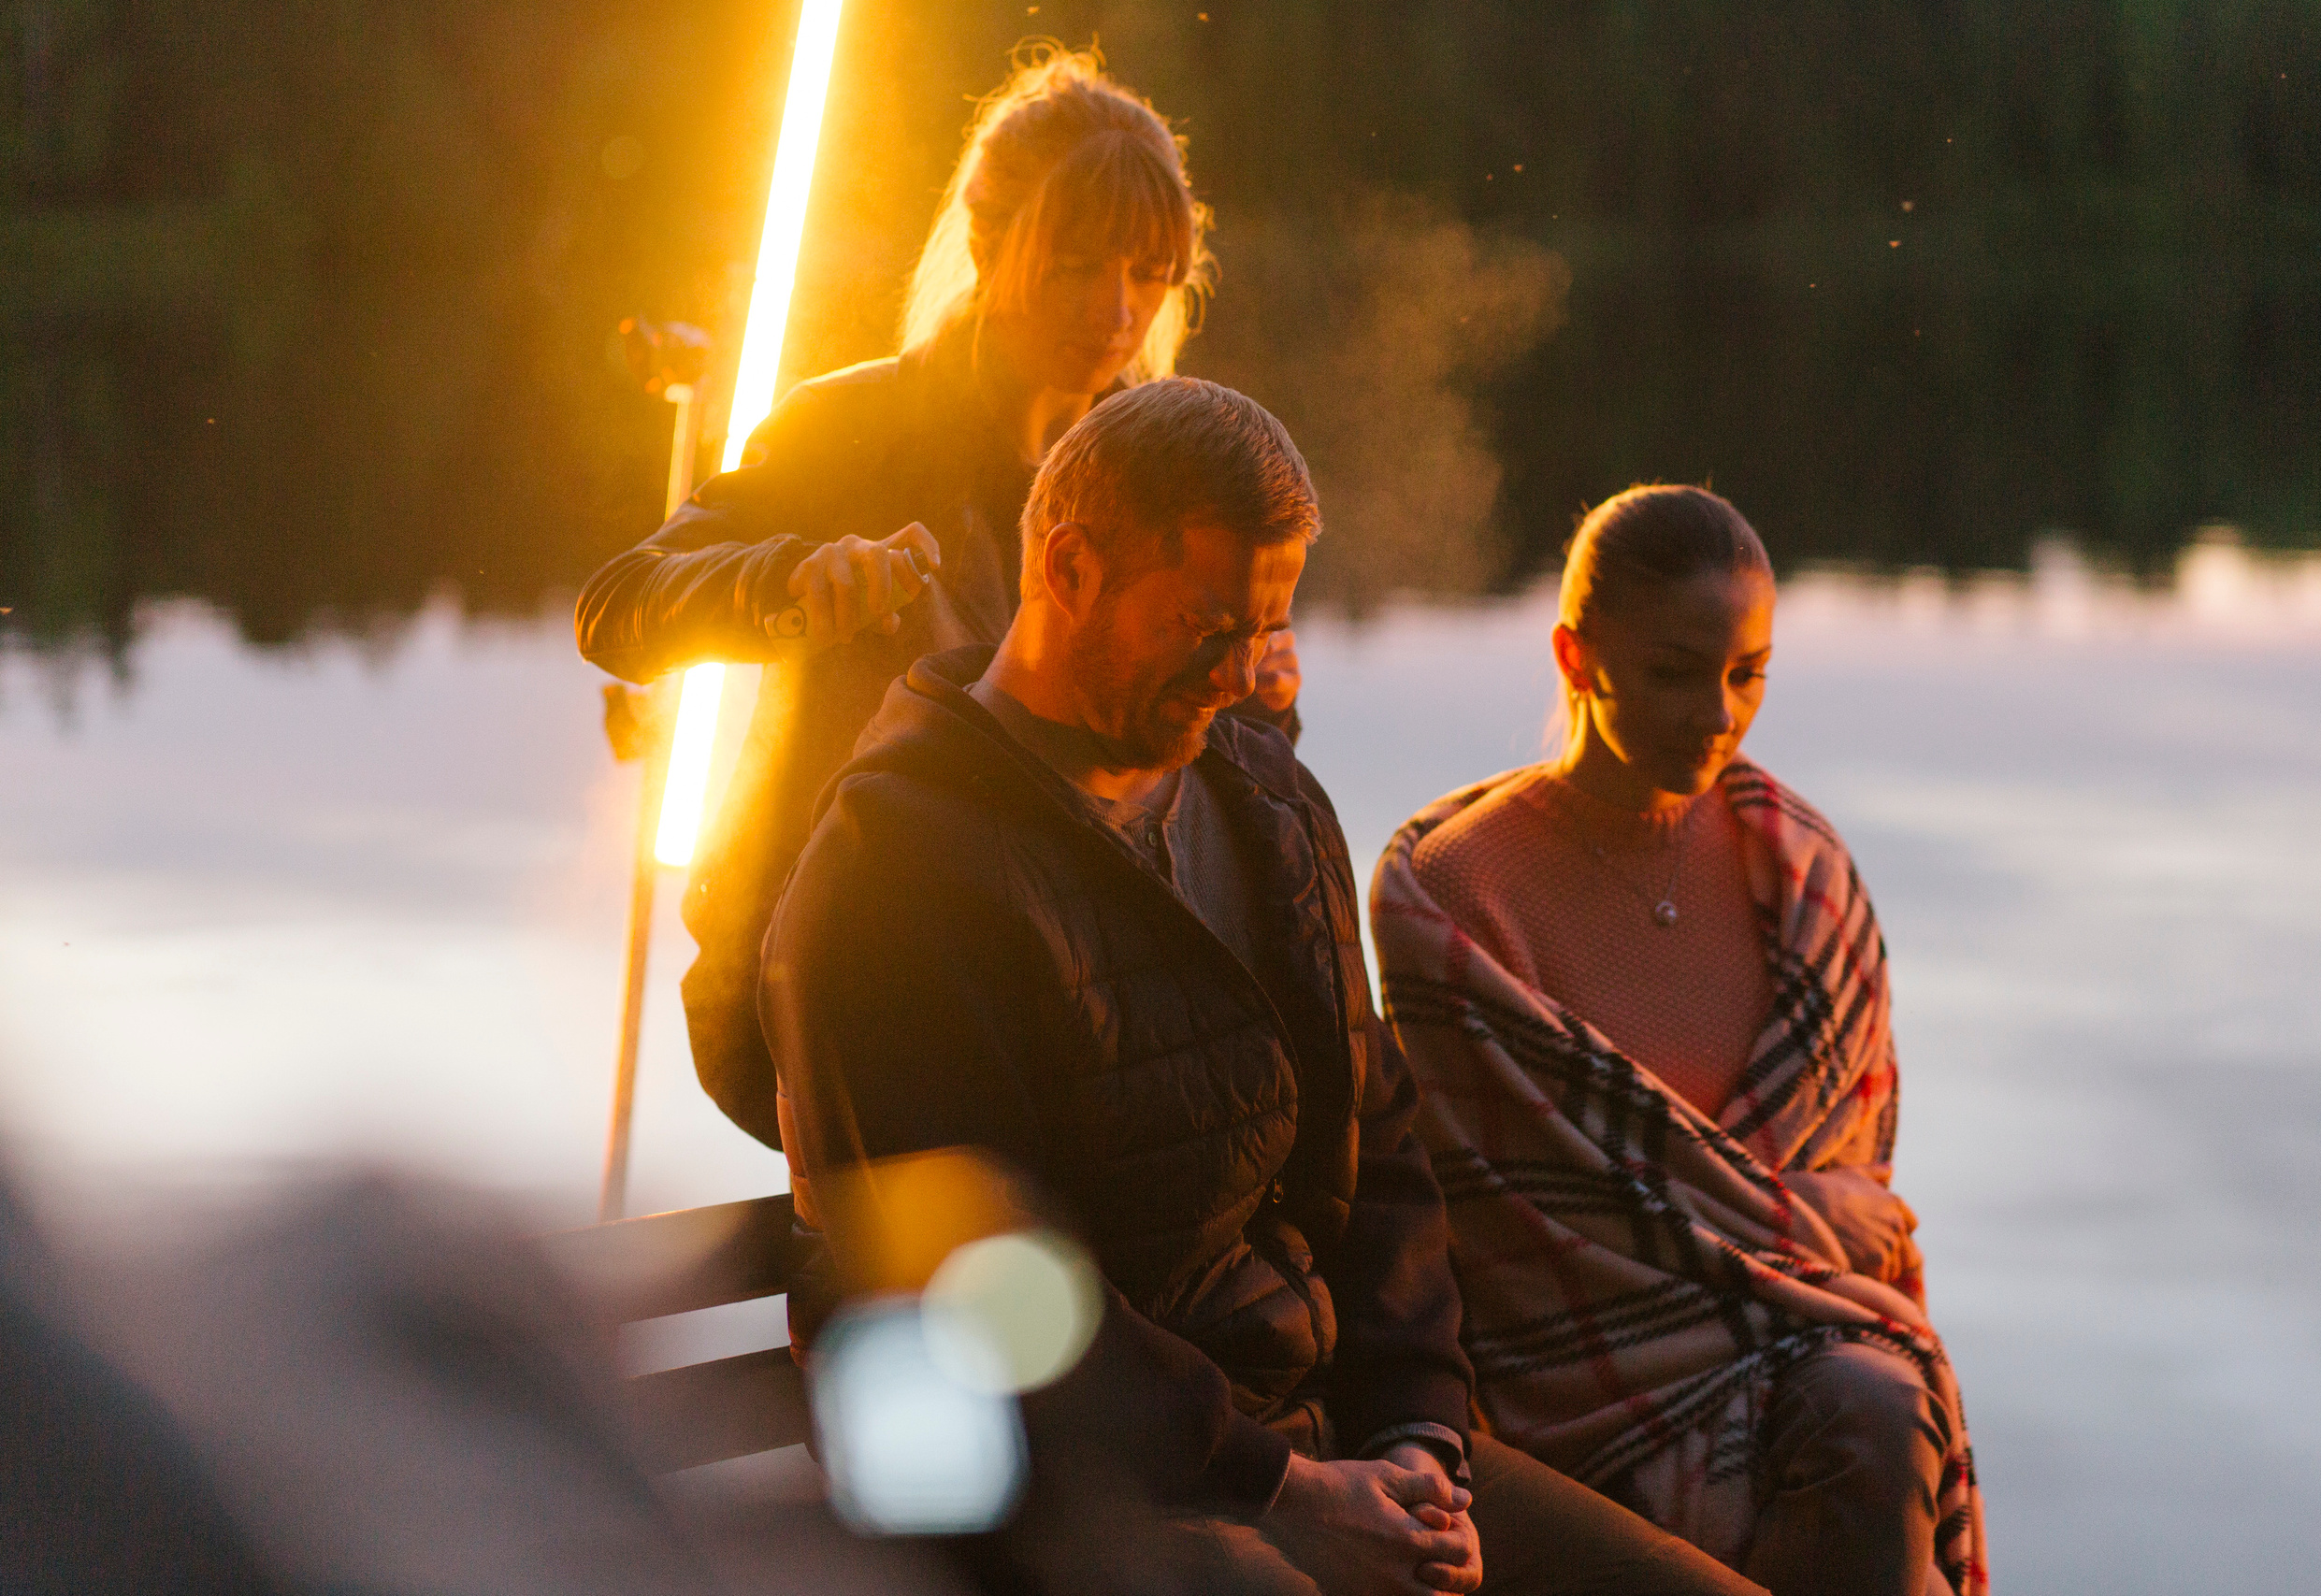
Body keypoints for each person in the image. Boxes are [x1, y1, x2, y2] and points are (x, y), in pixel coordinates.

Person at [760, 381, 1760, 1596]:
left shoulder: (1265, 802)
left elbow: (1380, 1144)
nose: (1243, 671)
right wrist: (1280, 1492)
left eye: (1267, 626)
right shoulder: (897, 871)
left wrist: (1418, 1437)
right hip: (1033, 1491)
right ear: (1068, 567)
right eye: (1205, 623)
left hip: (1308, 1434)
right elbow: (989, 1286)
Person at [574, 48, 1299, 1148]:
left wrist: (1257, 701)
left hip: (1071, 974)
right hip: (832, 972)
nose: (1117, 311)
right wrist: (784, 585)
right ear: (985, 241)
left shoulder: (1164, 463)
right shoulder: (855, 432)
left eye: (1149, 274)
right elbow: (618, 607)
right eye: (1075, 266)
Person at [1368, 486, 1990, 1596]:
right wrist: (1797, 1220)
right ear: (1576, 655)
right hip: (1564, 1372)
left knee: (1876, 1402)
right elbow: (1508, 1217)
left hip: (1795, 1344)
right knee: (1862, 1417)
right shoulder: (1462, 896)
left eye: (1746, 673)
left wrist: (1792, 1232)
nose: (1716, 713)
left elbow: (1857, 1198)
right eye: (1671, 672)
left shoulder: (1801, 877)